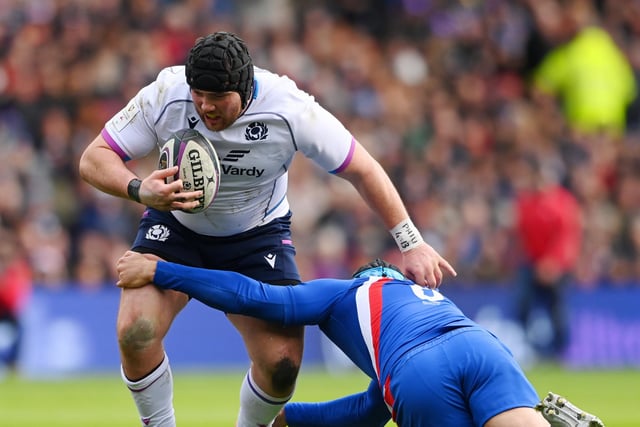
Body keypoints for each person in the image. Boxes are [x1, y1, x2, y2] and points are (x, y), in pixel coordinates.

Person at [78, 31, 456, 427]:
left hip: (257, 236)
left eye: (217, 97)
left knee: (282, 364)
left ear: (244, 88)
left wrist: (411, 243)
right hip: (174, 223)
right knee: (134, 330)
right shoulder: (165, 93)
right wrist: (140, 189)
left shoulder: (289, 108)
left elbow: (362, 168)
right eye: (198, 94)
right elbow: (94, 158)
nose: (205, 106)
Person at [116, 251, 605, 427]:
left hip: (415, 371)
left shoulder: (346, 292)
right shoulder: (420, 295)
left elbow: (254, 296)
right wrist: (292, 420)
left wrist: (166, 270)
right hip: (481, 345)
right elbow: (372, 410)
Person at [512, 154, 582, 360]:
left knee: (557, 307)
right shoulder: (526, 202)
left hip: (556, 265)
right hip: (532, 262)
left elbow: (567, 235)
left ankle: (561, 351)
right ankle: (526, 345)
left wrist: (553, 262)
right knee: (523, 304)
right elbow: (522, 234)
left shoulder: (563, 201)